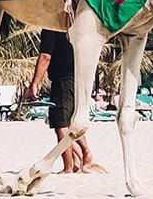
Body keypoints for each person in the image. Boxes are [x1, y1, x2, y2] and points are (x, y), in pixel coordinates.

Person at [28, 30, 102, 174]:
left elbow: (45, 57)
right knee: (72, 122)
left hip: (62, 79)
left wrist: (35, 83)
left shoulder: (50, 29)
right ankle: (81, 157)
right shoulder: (72, 26)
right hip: (78, 77)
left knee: (60, 125)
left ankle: (68, 166)